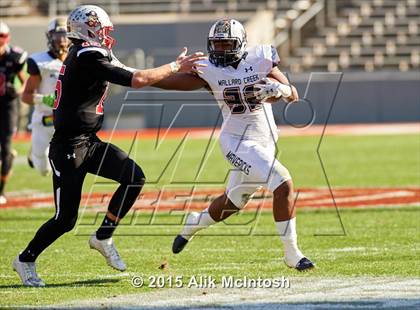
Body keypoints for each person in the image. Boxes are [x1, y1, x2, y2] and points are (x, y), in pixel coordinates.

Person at [12, 5, 205, 287]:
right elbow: (138, 80)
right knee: (65, 219)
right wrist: (175, 66)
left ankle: (103, 236)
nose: (105, 33)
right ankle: (25, 259)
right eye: (101, 28)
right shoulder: (87, 54)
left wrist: (184, 79)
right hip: (68, 149)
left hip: (89, 142)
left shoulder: (90, 53)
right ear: (87, 28)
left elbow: (141, 76)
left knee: (134, 177)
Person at [154, 19, 314, 271]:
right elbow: (165, 82)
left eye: (226, 43)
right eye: (216, 44)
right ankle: (292, 254)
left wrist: (279, 89)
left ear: (240, 44)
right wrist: (143, 75)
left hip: (265, 142)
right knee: (283, 183)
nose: (220, 50)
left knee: (234, 202)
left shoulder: (260, 58)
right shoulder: (207, 69)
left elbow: (292, 95)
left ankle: (194, 223)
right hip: (237, 141)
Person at [22, 17, 69, 176]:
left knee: (68, 162)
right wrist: (44, 99)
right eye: (57, 36)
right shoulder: (40, 62)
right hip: (44, 118)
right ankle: (35, 153)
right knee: (43, 169)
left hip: (66, 118)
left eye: (65, 35)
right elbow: (26, 96)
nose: (62, 41)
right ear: (50, 37)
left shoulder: (76, 59)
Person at [0, 21, 27, 204]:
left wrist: (16, 90)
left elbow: (24, 82)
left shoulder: (15, 56)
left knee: (6, 148)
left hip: (8, 105)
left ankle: (1, 191)